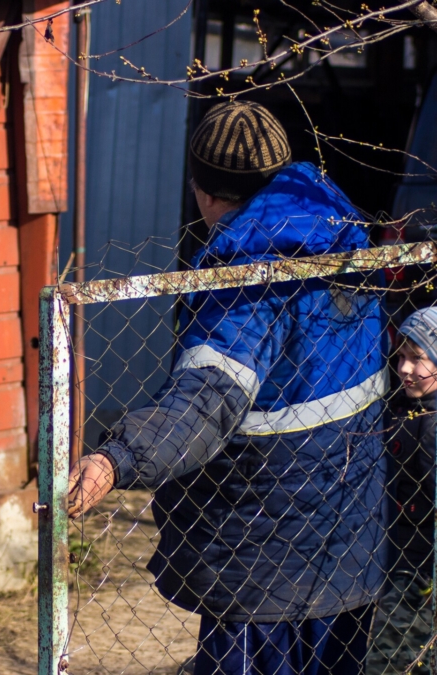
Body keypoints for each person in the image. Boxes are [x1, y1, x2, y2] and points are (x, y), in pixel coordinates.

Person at [67, 101, 388, 674]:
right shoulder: (340, 231)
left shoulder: (245, 280)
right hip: (349, 538)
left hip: (263, 549)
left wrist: (116, 459)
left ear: (203, 191)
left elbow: (206, 402)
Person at [367, 308, 437, 674]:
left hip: (417, 569)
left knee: (388, 658)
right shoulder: (402, 410)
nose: (406, 368)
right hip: (391, 555)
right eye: (401, 357)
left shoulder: (431, 428)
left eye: (419, 358)